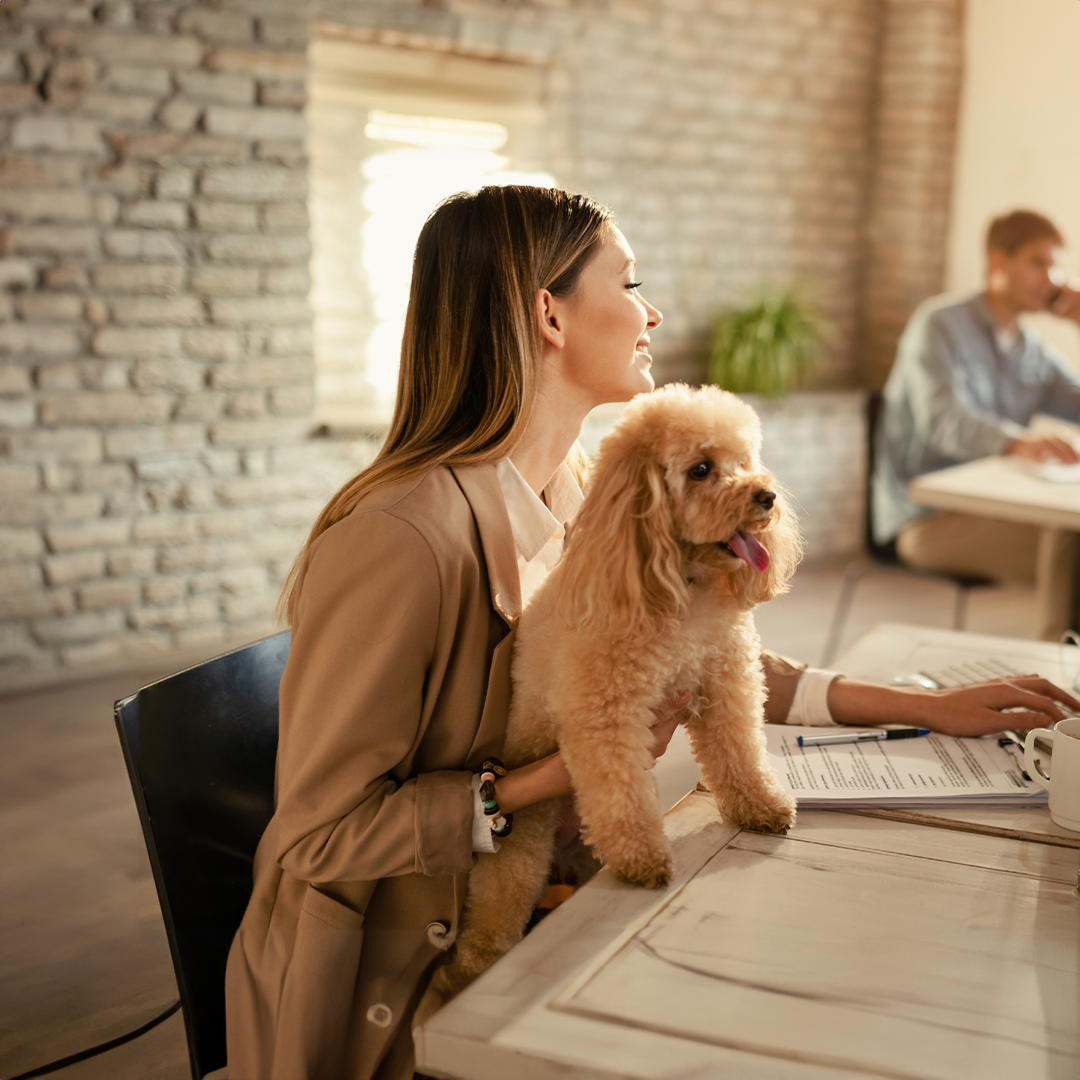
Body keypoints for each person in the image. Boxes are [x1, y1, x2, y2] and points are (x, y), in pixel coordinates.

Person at [225, 187, 1080, 1080]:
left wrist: (924, 706)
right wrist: (571, 769)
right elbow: (317, 842)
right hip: (406, 989)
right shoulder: (398, 540)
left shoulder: (580, 484)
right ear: (547, 314)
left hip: (552, 895)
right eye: (630, 281)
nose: (653, 310)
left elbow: (699, 656)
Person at [872, 209, 1080, 637]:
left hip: (999, 508)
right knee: (1071, 539)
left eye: (1056, 265)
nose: (1054, 278)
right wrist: (1020, 442)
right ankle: (1058, 680)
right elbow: (942, 420)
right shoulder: (940, 324)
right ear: (997, 262)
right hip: (925, 518)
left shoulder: (1031, 349)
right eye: (1038, 262)